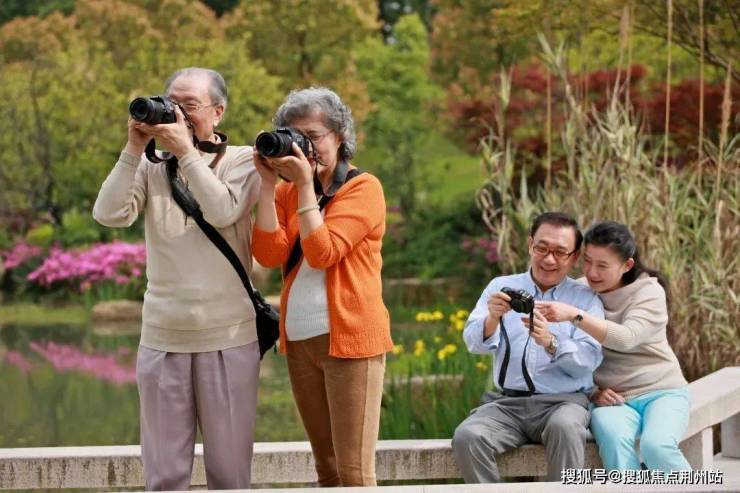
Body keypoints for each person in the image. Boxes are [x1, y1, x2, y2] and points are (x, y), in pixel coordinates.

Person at [93, 67, 261, 490]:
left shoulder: (242, 160)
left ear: (218, 112)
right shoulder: (152, 167)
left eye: (190, 106)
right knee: (164, 477)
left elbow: (223, 212)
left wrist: (186, 152)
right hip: (162, 339)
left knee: (230, 475)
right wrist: (134, 147)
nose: (178, 114)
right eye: (172, 103)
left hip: (228, 338)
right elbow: (109, 214)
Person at [251, 87, 393, 487]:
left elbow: (323, 252)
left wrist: (303, 188)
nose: (303, 146)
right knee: (327, 470)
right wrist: (266, 184)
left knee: (353, 473)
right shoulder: (284, 190)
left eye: (312, 137)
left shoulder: (363, 188)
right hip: (299, 340)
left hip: (350, 341)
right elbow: (266, 252)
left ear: (340, 136)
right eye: (293, 136)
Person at [452, 211, 604, 482]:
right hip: (507, 403)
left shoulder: (585, 299)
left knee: (566, 428)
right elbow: (473, 343)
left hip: (563, 403)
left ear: (574, 257)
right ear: (530, 244)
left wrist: (552, 342)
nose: (548, 259)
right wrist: (492, 318)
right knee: (468, 436)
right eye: (542, 248)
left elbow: (589, 361)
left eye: (560, 252)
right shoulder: (501, 286)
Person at [537, 221, 690, 472]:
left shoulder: (649, 291)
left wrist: (575, 315)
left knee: (656, 446)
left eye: (602, 265)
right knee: (614, 442)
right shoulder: (581, 291)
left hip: (662, 391)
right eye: (587, 261)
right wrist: (592, 391)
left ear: (627, 265)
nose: (592, 272)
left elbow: (626, 338)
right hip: (612, 398)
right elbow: (564, 348)